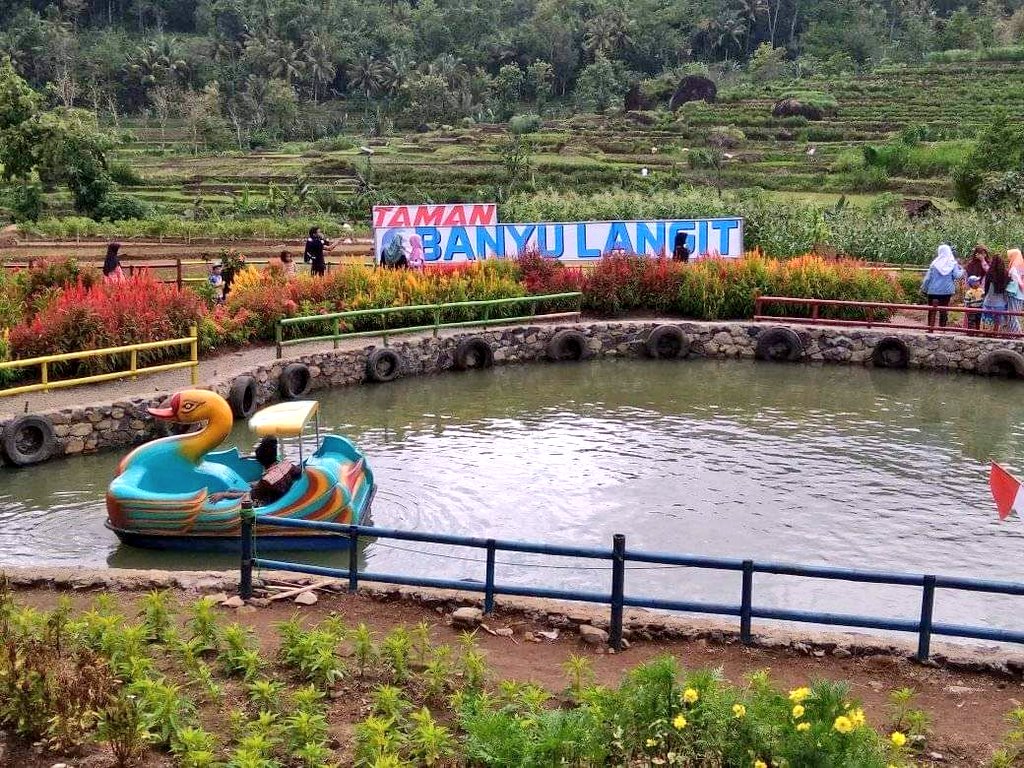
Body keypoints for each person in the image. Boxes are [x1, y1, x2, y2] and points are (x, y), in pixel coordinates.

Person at [208, 436, 300, 506]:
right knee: (232, 489)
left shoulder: (266, 481)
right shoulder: (287, 465)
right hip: (281, 494)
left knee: (230, 492)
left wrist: (223, 495)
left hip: (268, 502)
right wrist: (255, 484)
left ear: (261, 462)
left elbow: (249, 496)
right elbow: (297, 473)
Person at [920, 243, 964, 328]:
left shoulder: (934, 264)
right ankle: (942, 328)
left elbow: (927, 278)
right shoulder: (952, 264)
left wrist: (924, 288)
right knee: (944, 310)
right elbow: (957, 275)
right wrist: (962, 270)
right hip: (946, 291)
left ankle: (930, 327)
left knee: (932, 310)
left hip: (933, 291)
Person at [982, 253, 1011, 333]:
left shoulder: (989, 273)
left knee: (988, 321)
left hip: (989, 302)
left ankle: (988, 334)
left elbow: (986, 288)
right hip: (1000, 303)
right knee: (998, 322)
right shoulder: (1006, 274)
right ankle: (996, 333)